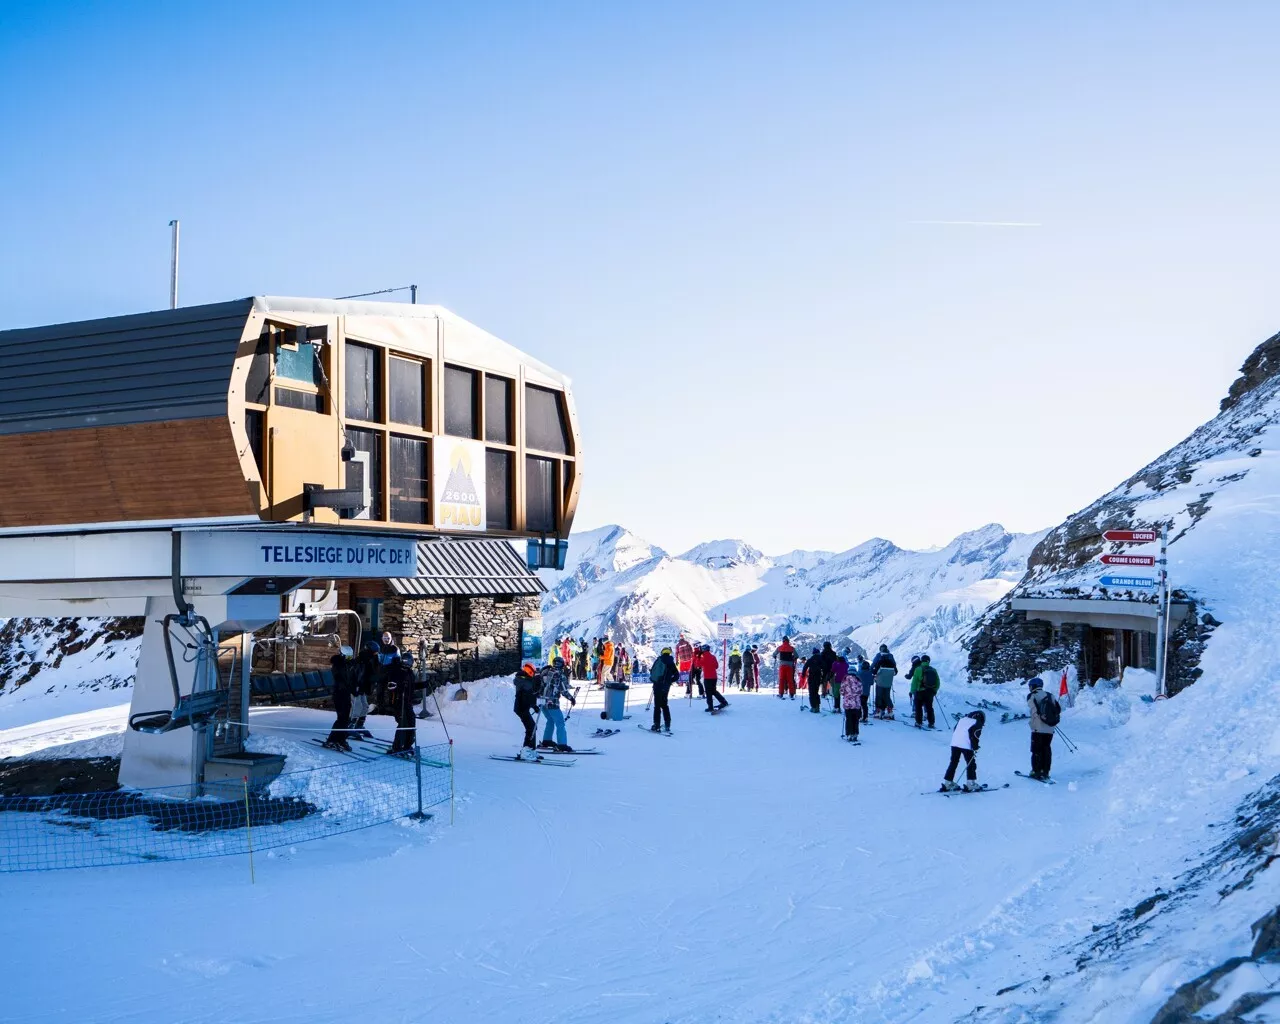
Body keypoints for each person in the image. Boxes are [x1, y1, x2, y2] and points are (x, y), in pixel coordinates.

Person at [941, 709, 985, 792]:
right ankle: (971, 783)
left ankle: (948, 782)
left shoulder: (962, 719)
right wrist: (975, 747)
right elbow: (974, 735)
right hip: (966, 745)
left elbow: (955, 729)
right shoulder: (977, 722)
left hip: (954, 743)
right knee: (970, 763)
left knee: (953, 762)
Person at [538, 660, 577, 753]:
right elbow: (563, 690)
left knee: (550, 720)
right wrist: (571, 698)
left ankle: (546, 740)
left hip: (542, 701)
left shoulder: (545, 672)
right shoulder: (559, 675)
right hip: (552, 702)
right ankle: (562, 744)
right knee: (560, 723)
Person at [323, 646, 356, 751]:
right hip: (339, 694)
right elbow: (339, 678)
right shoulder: (338, 665)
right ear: (343, 655)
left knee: (346, 718)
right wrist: (345, 686)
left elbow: (352, 678)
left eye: (351, 657)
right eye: (348, 657)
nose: (350, 659)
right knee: (341, 718)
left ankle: (342, 739)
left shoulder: (349, 664)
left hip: (346, 694)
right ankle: (332, 739)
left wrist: (354, 688)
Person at [387, 652, 418, 754]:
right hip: (398, 702)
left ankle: (407, 745)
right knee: (403, 723)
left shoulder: (410, 673)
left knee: (412, 722)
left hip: (408, 702)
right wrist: (400, 686)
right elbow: (390, 686)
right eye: (407, 661)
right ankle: (397, 746)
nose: (408, 663)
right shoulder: (396, 671)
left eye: (410, 661)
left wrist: (424, 685)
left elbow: (412, 686)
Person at [1027, 677, 1057, 780]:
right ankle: (1046, 771)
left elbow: (1033, 710)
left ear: (1034, 686)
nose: (1029, 688)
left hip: (1037, 728)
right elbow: (1057, 709)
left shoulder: (1032, 696)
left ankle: (1036, 771)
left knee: (1036, 750)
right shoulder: (1050, 695)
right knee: (1046, 749)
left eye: (1030, 686)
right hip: (1050, 728)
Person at [352, 640, 381, 737]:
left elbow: (373, 674)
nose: (376, 655)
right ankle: (350, 725)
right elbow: (357, 675)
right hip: (356, 687)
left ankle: (359, 725)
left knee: (365, 706)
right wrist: (356, 686)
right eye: (374, 652)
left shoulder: (371, 661)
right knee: (357, 706)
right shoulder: (360, 660)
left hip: (363, 687)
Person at [512, 662, 542, 752]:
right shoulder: (525, 681)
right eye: (533, 672)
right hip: (522, 708)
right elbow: (530, 694)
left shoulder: (523, 680)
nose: (534, 674)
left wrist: (534, 706)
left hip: (522, 707)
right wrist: (534, 705)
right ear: (529, 671)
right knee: (531, 728)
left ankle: (530, 750)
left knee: (532, 728)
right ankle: (527, 751)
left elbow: (529, 695)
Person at [649, 647, 679, 732]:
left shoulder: (658, 660)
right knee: (665, 705)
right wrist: (669, 681)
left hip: (657, 685)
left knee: (657, 706)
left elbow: (652, 673)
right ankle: (667, 724)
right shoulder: (671, 662)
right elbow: (677, 676)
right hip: (665, 687)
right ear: (669, 653)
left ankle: (656, 724)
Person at [909, 654, 940, 728]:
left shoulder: (918, 669)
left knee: (918, 707)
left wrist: (912, 691)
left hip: (920, 692)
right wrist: (934, 690)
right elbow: (937, 682)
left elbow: (914, 682)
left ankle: (919, 722)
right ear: (928, 661)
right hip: (930, 692)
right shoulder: (933, 670)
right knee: (929, 707)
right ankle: (931, 723)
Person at [870, 644, 897, 719]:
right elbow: (895, 670)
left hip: (880, 679)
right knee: (887, 695)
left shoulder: (879, 656)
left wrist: (872, 672)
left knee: (879, 695)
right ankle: (890, 711)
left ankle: (879, 711)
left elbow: (873, 666)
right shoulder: (891, 656)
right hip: (888, 680)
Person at [702, 645, 728, 712]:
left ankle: (710, 707)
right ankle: (723, 701)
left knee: (708, 692)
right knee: (713, 691)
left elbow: (697, 665)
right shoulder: (713, 657)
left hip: (707, 677)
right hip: (714, 677)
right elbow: (716, 666)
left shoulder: (703, 658)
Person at [840, 663, 863, 741]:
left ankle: (849, 733)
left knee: (849, 719)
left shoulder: (845, 680)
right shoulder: (858, 680)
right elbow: (860, 692)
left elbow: (842, 692)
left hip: (848, 703)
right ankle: (855, 733)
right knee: (856, 719)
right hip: (856, 704)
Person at [856, 656, 874, 723]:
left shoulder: (859, 673)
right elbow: (872, 683)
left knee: (859, 704)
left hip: (859, 691)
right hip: (866, 692)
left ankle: (860, 716)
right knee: (864, 704)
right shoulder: (870, 674)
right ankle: (865, 717)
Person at [805, 647, 823, 712]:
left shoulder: (810, 659)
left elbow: (805, 667)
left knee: (811, 692)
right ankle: (817, 706)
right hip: (818, 677)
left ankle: (813, 707)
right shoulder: (821, 659)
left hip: (811, 677)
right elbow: (824, 667)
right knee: (816, 691)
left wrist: (803, 675)